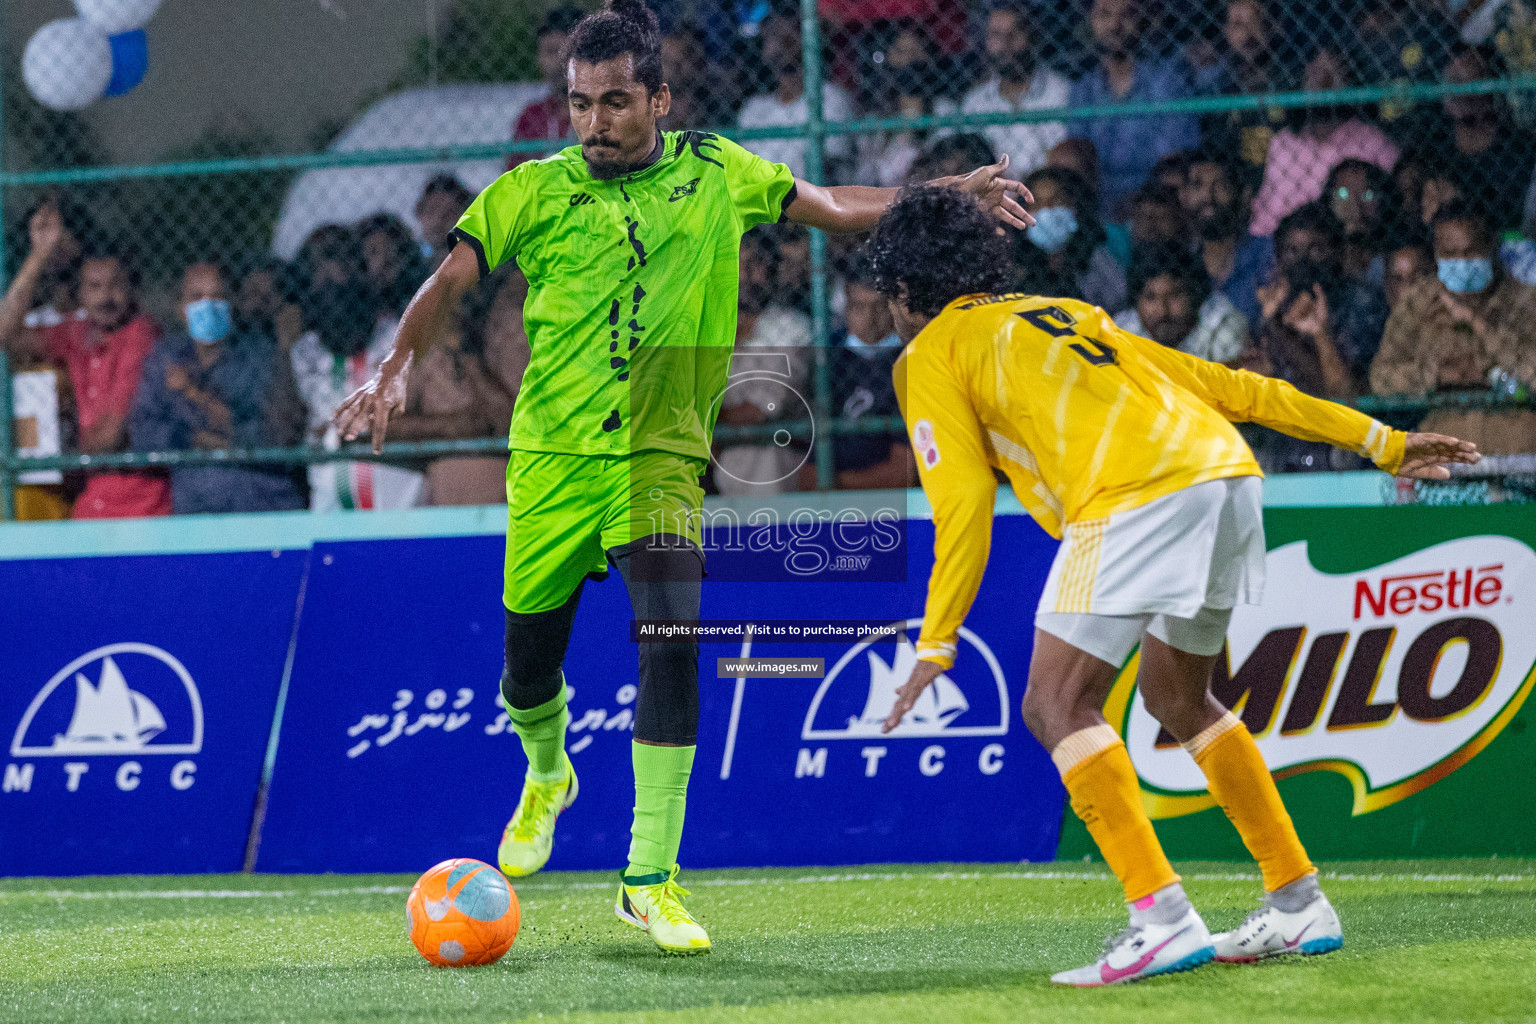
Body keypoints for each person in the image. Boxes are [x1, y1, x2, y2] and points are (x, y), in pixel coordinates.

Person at [332, 0, 1029, 956]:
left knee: (671, 644)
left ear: (658, 97)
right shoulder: (531, 190)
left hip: (659, 460)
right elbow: (451, 278)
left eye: (617, 101)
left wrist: (945, 193)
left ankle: (648, 879)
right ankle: (547, 772)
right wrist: (396, 363)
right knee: (526, 673)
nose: (595, 121)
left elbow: (830, 206)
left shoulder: (718, 172)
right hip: (550, 463)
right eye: (580, 103)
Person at [862, 183, 1478, 986]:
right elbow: (1229, 387)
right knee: (1179, 697)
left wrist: (937, 642)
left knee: (1055, 704)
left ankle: (1160, 915)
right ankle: (1298, 901)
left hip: (1136, 498)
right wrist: (1379, 440)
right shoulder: (1067, 314)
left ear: (905, 288)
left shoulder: (931, 353)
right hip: (1225, 476)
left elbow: (963, 508)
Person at [0, 207, 168, 520]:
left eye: (115, 285)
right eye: (94, 287)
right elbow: (4, 333)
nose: (106, 297)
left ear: (132, 289)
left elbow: (109, 436)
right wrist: (39, 255)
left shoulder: (141, 335)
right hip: (93, 504)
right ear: (80, 294)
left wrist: (54, 454)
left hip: (141, 506)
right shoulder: (77, 334)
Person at [128, 262, 307, 515]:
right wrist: (190, 439)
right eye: (196, 297)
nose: (208, 306)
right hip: (195, 509)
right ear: (180, 308)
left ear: (232, 303)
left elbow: (275, 433)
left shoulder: (261, 356)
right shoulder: (165, 358)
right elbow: (142, 430)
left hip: (262, 504)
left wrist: (226, 438)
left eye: (218, 296)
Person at [1371, 200, 1536, 455]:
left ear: (1491, 247)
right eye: (1449, 254)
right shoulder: (1417, 304)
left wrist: (1477, 325)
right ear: (1436, 254)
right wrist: (1435, 375)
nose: (1460, 263)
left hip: (1516, 449)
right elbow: (1381, 377)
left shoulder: (1525, 301)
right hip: (1443, 454)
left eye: (1470, 252)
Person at [290, 225, 426, 512]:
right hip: (331, 521)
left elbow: (436, 422)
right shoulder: (303, 354)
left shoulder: (400, 339)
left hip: (402, 517)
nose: (329, 276)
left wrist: (369, 427)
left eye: (340, 265)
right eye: (320, 274)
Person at [1067, 0, 1200, 216]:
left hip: (1154, 205)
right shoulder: (1084, 89)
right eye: (1104, 15)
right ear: (1091, 21)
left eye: (1126, 15)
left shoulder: (1165, 82)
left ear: (1143, 21)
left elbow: (1172, 161)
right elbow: (1076, 155)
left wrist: (1137, 203)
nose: (1115, 25)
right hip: (1096, 204)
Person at [1249, 46, 1399, 237]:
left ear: (1349, 81)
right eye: (1316, 73)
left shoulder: (1373, 142)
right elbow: (1264, 215)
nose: (1323, 83)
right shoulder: (1283, 143)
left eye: (1332, 73)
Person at [714, 230, 812, 496]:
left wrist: (702, 420)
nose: (744, 275)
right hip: (713, 454)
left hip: (773, 455)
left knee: (765, 454)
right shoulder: (708, 330)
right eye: (736, 263)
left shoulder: (791, 327)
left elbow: (759, 411)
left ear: (771, 268)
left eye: (754, 263)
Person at [811, 263, 913, 489]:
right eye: (859, 307)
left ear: (893, 307)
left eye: (879, 307)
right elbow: (806, 472)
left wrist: (836, 483)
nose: (869, 318)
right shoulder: (827, 359)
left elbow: (902, 472)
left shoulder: (912, 359)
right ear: (846, 308)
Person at [737, 8, 857, 180]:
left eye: (787, 34)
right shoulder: (754, 110)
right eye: (772, 34)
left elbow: (829, 169)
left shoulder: (830, 98)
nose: (779, 42)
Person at [958, 2, 1071, 181]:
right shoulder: (975, 102)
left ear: (1034, 36)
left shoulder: (1060, 92)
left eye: (1015, 33)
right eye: (996, 35)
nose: (1005, 44)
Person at [1180, 152, 1274, 330]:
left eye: (1221, 186)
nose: (1208, 197)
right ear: (1183, 196)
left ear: (1241, 194)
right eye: (1197, 185)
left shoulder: (1265, 253)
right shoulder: (1177, 257)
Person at [1013, 166, 1127, 312]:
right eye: (1037, 203)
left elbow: (1118, 306)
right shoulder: (1014, 266)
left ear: (1075, 206)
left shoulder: (1098, 260)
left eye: (1056, 201)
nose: (1046, 210)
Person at [1115, 244, 1248, 363]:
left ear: (1195, 294)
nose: (1162, 311)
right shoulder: (1121, 330)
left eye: (1174, 295)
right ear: (1136, 302)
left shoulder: (1222, 323)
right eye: (1150, 297)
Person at [509, 5, 587, 169]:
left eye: (563, 52)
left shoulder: (604, 114)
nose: (556, 64)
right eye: (549, 52)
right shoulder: (532, 116)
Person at [415, 175, 474, 272]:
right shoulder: (414, 268)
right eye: (432, 210)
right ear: (420, 214)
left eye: (448, 214)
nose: (438, 221)